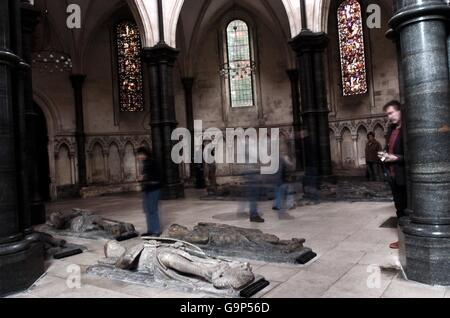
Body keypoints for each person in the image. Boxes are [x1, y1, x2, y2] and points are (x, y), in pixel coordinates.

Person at [378, 100, 407, 250]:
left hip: (405, 176)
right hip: (393, 175)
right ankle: (402, 240)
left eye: (391, 113)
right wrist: (384, 155)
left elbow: (417, 153)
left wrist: (397, 158)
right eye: (387, 114)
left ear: (400, 111)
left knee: (408, 209)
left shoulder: (408, 129)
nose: (389, 117)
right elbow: (389, 148)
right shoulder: (392, 129)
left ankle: (409, 240)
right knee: (399, 209)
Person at [137, 147, 162, 237]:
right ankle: (150, 230)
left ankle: (156, 230)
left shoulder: (151, 162)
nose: (139, 157)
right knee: (148, 210)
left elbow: (156, 176)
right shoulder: (146, 163)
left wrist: (144, 177)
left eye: (140, 154)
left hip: (154, 189)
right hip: (148, 189)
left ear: (144, 154)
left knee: (152, 210)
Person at [273, 153, 296, 219]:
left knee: (279, 194)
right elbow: (290, 166)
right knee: (284, 195)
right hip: (282, 179)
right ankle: (283, 212)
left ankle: (278, 207)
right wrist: (294, 160)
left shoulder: (276, 157)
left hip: (278, 179)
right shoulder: (283, 157)